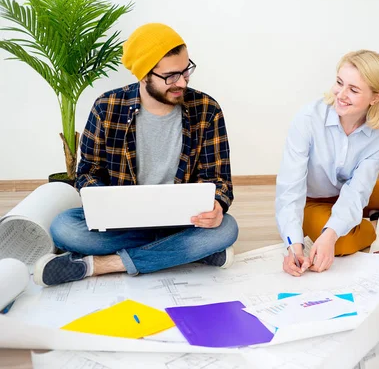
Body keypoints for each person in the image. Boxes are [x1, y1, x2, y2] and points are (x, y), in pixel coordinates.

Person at [33, 23, 238, 287]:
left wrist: (218, 206)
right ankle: (186, 252)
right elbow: (88, 173)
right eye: (171, 76)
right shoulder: (106, 108)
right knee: (64, 228)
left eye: (186, 71)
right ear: (144, 75)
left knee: (227, 229)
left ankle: (99, 265)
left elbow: (219, 179)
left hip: (183, 222)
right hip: (123, 225)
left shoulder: (207, 109)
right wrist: (106, 205)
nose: (182, 82)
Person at [276, 50, 379, 277]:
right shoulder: (308, 119)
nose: (341, 94)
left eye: (353, 90)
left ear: (376, 97)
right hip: (313, 200)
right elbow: (290, 188)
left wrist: (338, 223)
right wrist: (294, 246)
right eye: (339, 83)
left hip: (355, 192)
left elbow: (357, 190)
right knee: (342, 243)